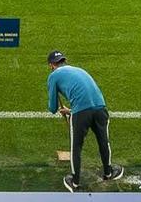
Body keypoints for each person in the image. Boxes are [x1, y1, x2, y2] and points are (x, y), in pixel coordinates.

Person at [45, 50, 120, 191]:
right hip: (100, 108)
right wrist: (71, 110)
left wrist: (67, 109)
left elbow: (53, 108)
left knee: (76, 148)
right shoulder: (78, 70)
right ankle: (108, 172)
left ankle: (75, 182)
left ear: (51, 65)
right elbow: (88, 97)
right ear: (63, 61)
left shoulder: (53, 76)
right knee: (103, 141)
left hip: (81, 113)